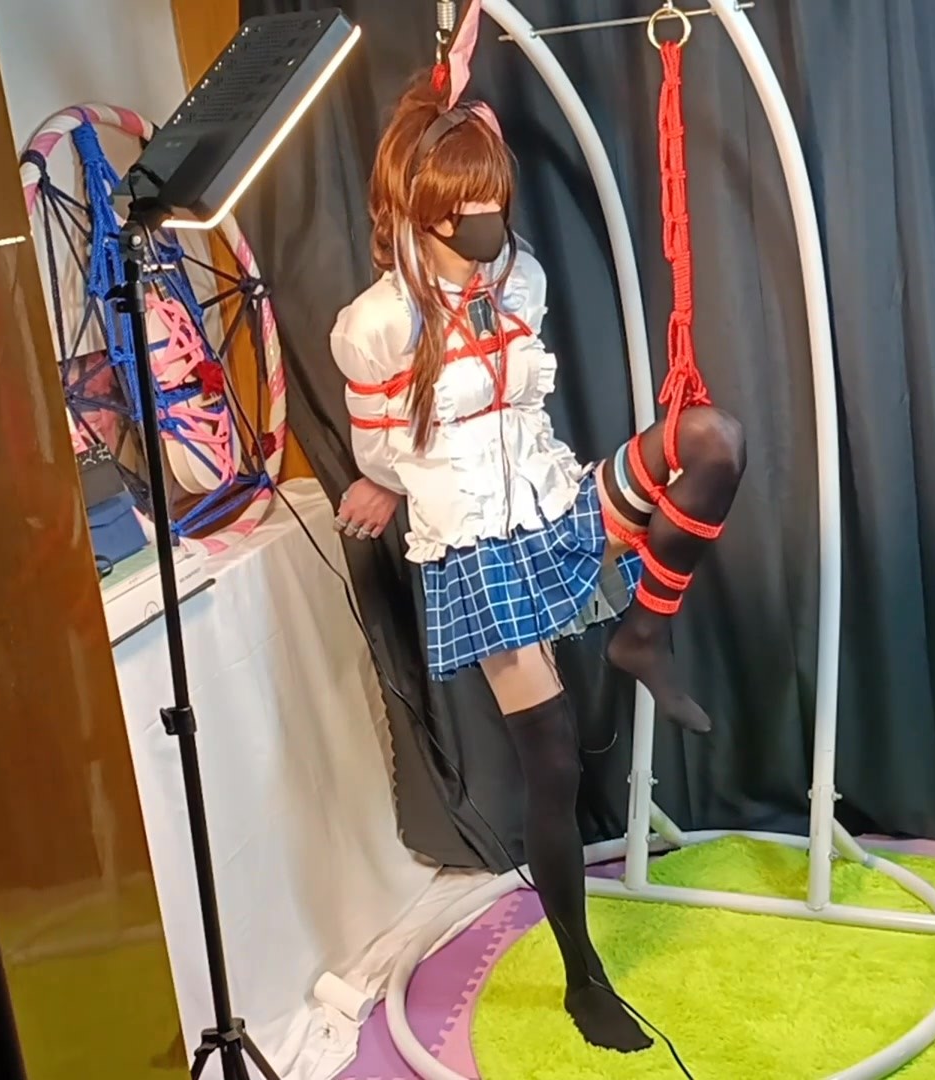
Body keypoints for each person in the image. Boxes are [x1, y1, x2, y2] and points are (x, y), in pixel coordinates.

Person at [327, 76, 746, 1052]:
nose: (487, 225)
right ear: (418, 213)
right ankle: (582, 977)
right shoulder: (375, 326)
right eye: (466, 210)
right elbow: (380, 449)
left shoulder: (520, 279)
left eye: (493, 203)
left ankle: (642, 636)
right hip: (476, 549)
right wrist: (384, 486)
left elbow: (527, 408)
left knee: (713, 442)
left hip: (557, 506)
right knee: (550, 759)